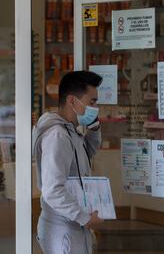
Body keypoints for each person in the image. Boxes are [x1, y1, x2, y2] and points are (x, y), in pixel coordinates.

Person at [32, 71, 104, 254]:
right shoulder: (57, 135)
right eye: (92, 102)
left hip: (71, 224)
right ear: (72, 101)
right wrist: (84, 218)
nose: (95, 108)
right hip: (62, 228)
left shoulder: (70, 130)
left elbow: (86, 153)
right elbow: (53, 190)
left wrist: (94, 127)